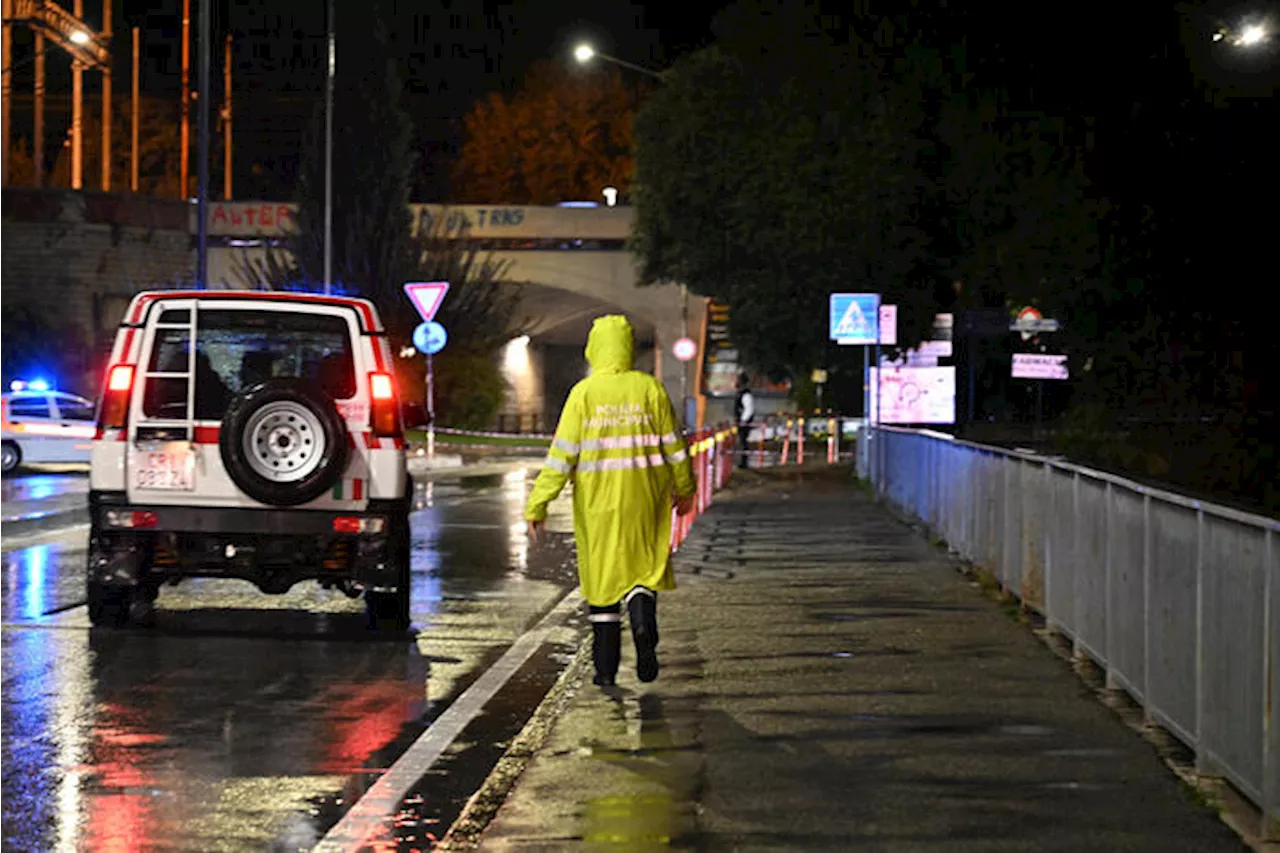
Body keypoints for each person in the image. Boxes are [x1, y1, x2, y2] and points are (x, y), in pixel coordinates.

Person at [525, 316, 697, 688]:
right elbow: (675, 448)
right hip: (646, 499)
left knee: (603, 583)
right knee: (642, 569)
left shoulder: (584, 395)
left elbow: (561, 458)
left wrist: (537, 505)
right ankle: (642, 620)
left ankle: (605, 672)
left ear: (595, 348)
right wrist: (685, 490)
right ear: (628, 348)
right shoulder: (649, 389)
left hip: (597, 504)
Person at [734, 373, 754, 469]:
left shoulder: (746, 394)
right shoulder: (741, 394)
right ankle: (743, 461)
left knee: (743, 442)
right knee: (742, 442)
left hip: (744, 422)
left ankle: (744, 462)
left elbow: (748, 409)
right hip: (742, 421)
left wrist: (743, 421)